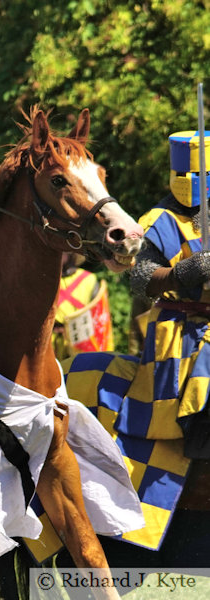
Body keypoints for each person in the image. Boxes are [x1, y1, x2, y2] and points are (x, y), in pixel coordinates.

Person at [129, 130, 210, 459]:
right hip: (181, 331)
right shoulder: (158, 221)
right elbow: (140, 279)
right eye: (185, 173)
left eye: (200, 174)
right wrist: (185, 271)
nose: (191, 180)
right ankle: (199, 457)